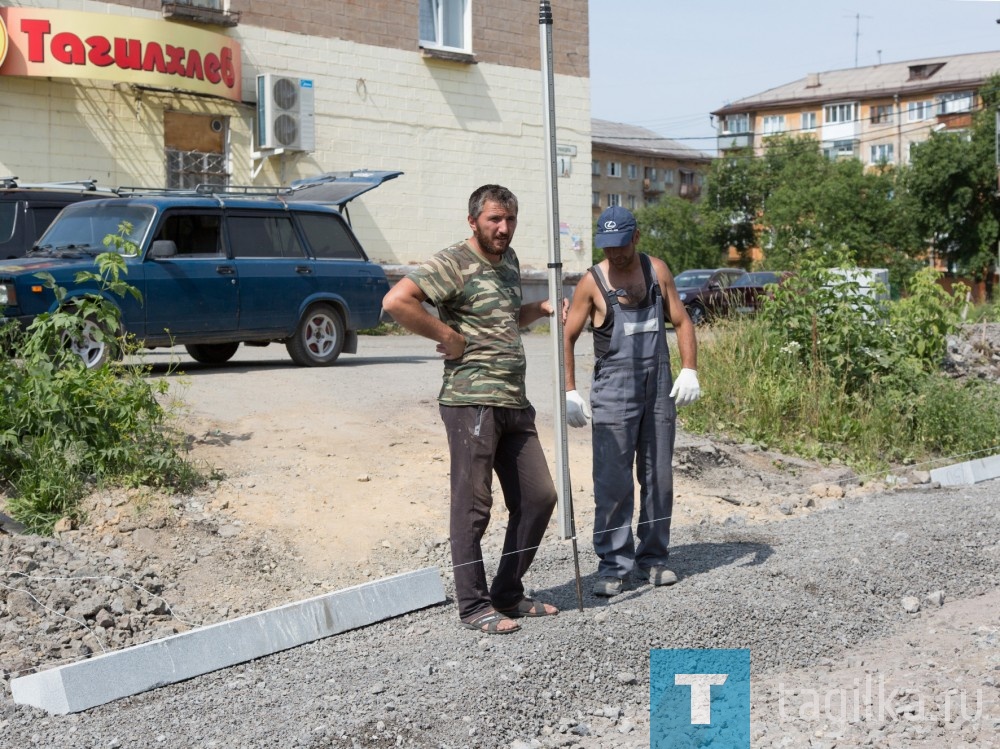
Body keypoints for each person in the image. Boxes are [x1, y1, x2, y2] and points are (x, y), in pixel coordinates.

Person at [382, 184, 560, 634]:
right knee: (473, 507)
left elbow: (498, 316)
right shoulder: (452, 262)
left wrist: (535, 309)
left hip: (514, 402)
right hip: (471, 402)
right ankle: (474, 606)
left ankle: (508, 593)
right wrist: (447, 336)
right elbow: (396, 301)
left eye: (510, 220)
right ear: (473, 221)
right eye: (494, 220)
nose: (504, 228)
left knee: (539, 497)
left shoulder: (510, 261)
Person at [562, 205, 700, 597]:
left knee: (658, 477)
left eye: (621, 246)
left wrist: (689, 368)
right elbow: (567, 336)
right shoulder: (592, 282)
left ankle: (653, 559)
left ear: (635, 237)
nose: (615, 255)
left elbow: (683, 321)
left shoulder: (656, 271)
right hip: (614, 392)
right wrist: (569, 390)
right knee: (613, 482)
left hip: (657, 389)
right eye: (607, 248)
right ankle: (613, 564)